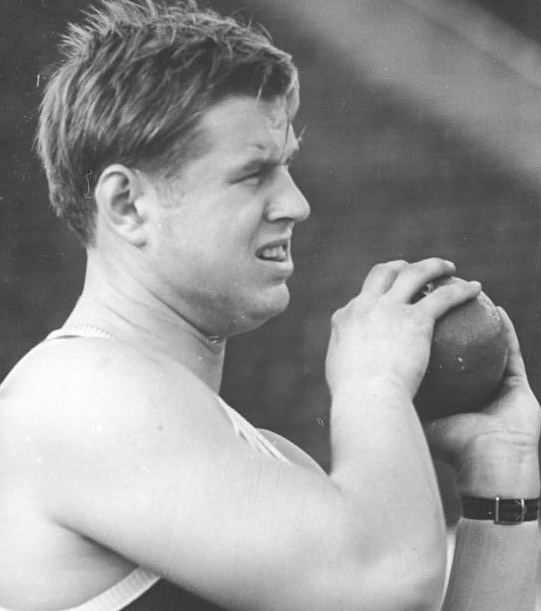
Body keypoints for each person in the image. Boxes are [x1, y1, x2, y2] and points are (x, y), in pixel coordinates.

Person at [0, 1, 539, 609]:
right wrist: (374, 382)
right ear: (127, 204)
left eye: (286, 166)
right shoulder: (75, 393)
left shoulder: (274, 466)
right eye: (253, 173)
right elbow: (385, 579)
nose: (295, 204)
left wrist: (503, 470)